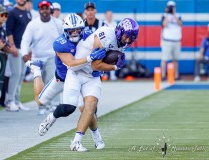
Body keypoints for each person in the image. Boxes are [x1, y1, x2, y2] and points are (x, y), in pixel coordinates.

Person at [38, 18, 139, 151]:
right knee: (69, 108)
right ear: (120, 31)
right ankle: (52, 117)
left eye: (130, 39)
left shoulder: (122, 44)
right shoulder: (106, 35)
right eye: (126, 36)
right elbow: (95, 64)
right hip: (76, 72)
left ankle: (77, 142)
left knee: (90, 107)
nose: (127, 41)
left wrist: (112, 63)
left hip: (92, 76)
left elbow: (98, 67)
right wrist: (115, 67)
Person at [26, 14, 106, 149]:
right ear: (65, 30)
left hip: (82, 77)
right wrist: (90, 57)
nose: (75, 33)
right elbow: (71, 63)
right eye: (71, 30)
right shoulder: (60, 43)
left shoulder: (87, 34)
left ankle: (96, 136)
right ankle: (37, 70)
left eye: (77, 29)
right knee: (40, 101)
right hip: (62, 78)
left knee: (87, 109)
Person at [21, 0, 63, 114]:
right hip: (36, 58)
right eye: (42, 8)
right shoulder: (33, 24)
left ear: (50, 10)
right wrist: (24, 54)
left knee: (53, 80)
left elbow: (64, 38)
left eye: (46, 8)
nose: (44, 11)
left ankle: (54, 105)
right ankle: (42, 106)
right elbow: (25, 40)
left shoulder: (58, 23)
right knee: (40, 83)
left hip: (52, 57)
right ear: (39, 10)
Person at [5, 0, 31, 111]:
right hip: (15, 48)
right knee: (15, 74)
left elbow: (29, 32)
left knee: (21, 75)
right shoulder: (12, 13)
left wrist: (29, 48)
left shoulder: (27, 13)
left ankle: (16, 100)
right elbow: (8, 31)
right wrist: (12, 46)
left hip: (24, 49)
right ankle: (9, 101)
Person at [160, 0, 182, 81]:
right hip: (167, 40)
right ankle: (163, 75)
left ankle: (176, 75)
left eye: (172, 7)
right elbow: (164, 25)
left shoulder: (178, 15)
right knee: (164, 59)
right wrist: (168, 15)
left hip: (176, 40)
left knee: (176, 59)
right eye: (170, 7)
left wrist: (174, 15)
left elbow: (180, 24)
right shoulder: (164, 15)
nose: (171, 8)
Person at [104, 10, 118, 80]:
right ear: (106, 16)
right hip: (105, 44)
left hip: (113, 44)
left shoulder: (115, 24)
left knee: (113, 59)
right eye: (108, 15)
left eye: (110, 15)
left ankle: (113, 75)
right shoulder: (103, 24)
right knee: (104, 59)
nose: (109, 17)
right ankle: (105, 75)